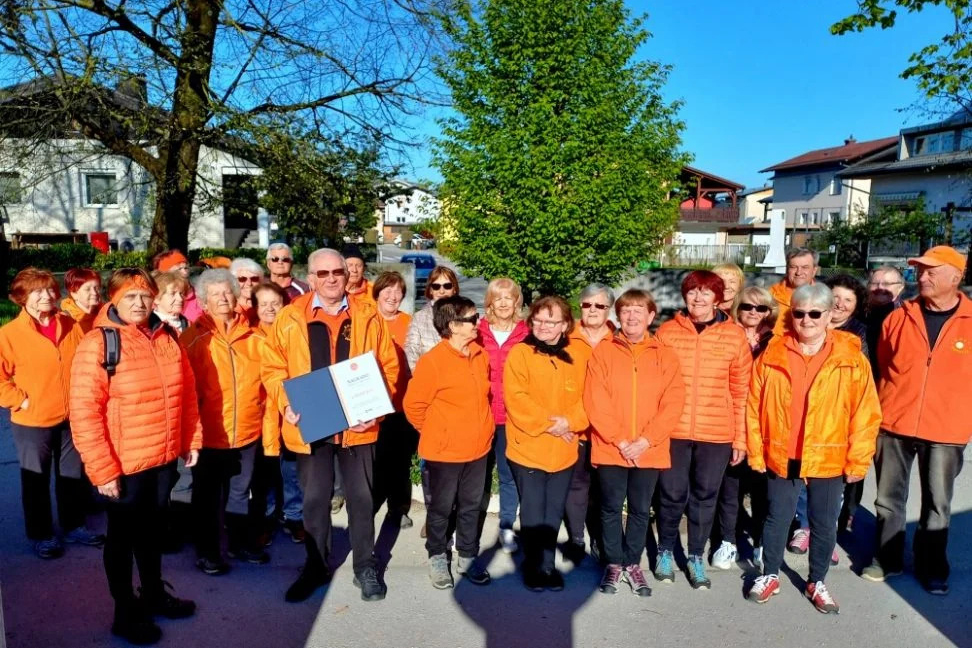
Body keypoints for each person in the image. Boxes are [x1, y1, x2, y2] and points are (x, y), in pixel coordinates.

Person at [70, 268, 201, 645]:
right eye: (130, 296)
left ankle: (154, 593)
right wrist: (102, 470)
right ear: (113, 300)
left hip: (162, 459)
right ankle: (125, 612)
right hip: (123, 465)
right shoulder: (100, 343)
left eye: (145, 295)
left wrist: (191, 439)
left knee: (152, 532)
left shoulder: (166, 336)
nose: (140, 303)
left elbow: (186, 394)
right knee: (122, 538)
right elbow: (84, 412)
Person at [261, 248, 399, 603]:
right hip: (312, 424)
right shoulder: (290, 317)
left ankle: (365, 566)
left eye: (338, 271)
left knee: (362, 499)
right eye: (323, 273)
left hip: (359, 426)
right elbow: (273, 368)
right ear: (311, 278)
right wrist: (286, 402)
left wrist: (377, 409)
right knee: (314, 500)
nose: (332, 278)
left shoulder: (368, 314)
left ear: (347, 275)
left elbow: (388, 366)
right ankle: (315, 566)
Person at [746, 284, 881, 614]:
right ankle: (770, 574)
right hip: (782, 452)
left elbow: (866, 413)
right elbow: (753, 405)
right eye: (799, 313)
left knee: (823, 521)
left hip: (828, 454)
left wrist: (858, 460)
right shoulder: (773, 354)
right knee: (777, 518)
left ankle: (816, 580)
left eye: (815, 313)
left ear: (829, 315)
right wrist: (755, 450)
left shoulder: (851, 359)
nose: (806, 320)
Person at [863, 246, 972, 596]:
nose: (922, 277)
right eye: (920, 270)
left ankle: (932, 566)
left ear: (956, 276)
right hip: (894, 422)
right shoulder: (899, 317)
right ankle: (887, 558)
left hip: (946, 428)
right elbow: (885, 362)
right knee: (887, 499)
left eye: (931, 271)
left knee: (937, 504)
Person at [584, 289, 685, 597]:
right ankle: (614, 563)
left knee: (641, 509)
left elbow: (673, 402)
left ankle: (632, 563)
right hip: (611, 446)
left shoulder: (665, 355)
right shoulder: (603, 352)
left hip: (648, 449)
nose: (631, 317)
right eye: (625, 311)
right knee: (610, 507)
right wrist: (619, 439)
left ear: (651, 316)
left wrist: (645, 440)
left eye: (638, 311)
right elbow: (595, 399)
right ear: (618, 316)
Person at [655, 270, 752, 588]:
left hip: (717, 433)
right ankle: (665, 551)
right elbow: (655, 385)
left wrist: (740, 438)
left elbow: (742, 391)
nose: (698, 298)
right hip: (674, 429)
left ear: (717, 298)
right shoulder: (667, 332)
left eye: (705, 292)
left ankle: (696, 555)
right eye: (692, 291)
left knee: (705, 496)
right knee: (671, 494)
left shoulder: (734, 336)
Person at [0, 268, 102, 559]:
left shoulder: (70, 324)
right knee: (36, 480)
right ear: (22, 297)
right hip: (33, 420)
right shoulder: (9, 334)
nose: (45, 296)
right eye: (36, 291)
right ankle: (41, 534)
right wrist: (21, 401)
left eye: (49, 290)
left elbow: (85, 361)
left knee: (71, 474)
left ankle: (73, 525)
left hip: (71, 416)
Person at [182, 269, 269, 575]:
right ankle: (207, 551)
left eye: (227, 292)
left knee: (239, 492)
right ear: (203, 301)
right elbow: (185, 389)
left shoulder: (255, 337)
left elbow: (270, 381)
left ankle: (238, 542)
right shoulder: (193, 338)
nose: (222, 299)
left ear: (236, 295)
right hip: (209, 433)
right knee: (206, 496)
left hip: (247, 430)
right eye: (214, 294)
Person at [404, 295, 494, 589]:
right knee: (441, 509)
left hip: (478, 450)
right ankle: (437, 556)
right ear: (453, 325)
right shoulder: (432, 362)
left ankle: (466, 556)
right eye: (472, 319)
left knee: (470, 506)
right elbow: (413, 406)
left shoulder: (480, 355)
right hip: (444, 453)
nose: (477, 323)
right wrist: (437, 432)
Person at [504, 296, 589, 591]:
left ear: (564, 325)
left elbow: (589, 397)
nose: (542, 326)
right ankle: (532, 565)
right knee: (533, 511)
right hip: (528, 447)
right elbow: (517, 398)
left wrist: (571, 422)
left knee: (553, 511)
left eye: (550, 321)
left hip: (564, 450)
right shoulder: (520, 353)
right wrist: (553, 425)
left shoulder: (579, 354)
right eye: (538, 320)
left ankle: (548, 566)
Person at [724, 286, 778, 571]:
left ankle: (760, 542)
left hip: (765, 421)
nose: (753, 312)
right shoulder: (727, 335)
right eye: (747, 306)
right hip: (732, 416)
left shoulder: (777, 341)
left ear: (769, 311)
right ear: (737, 308)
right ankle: (728, 540)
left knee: (762, 487)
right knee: (731, 485)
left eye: (761, 308)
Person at [403, 265, 461, 537]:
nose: (441, 291)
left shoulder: (466, 316)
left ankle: (454, 512)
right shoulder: (420, 319)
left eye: (447, 286)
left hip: (459, 402)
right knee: (430, 464)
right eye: (436, 286)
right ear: (429, 290)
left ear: (454, 288)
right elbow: (411, 355)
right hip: (432, 402)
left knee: (458, 463)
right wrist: (433, 385)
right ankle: (434, 515)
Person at [563, 283, 616, 563]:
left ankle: (599, 536)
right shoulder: (565, 337)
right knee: (577, 485)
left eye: (600, 305)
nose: (593, 310)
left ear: (609, 309)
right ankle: (576, 538)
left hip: (609, 428)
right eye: (587, 305)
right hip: (576, 426)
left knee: (604, 487)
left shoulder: (619, 339)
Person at [478, 276, 529, 553]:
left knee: (508, 475)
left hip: (511, 418)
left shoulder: (526, 334)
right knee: (475, 476)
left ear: (517, 301)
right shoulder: (477, 331)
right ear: (490, 302)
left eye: (508, 297)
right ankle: (467, 527)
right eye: (497, 298)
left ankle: (507, 526)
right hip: (481, 414)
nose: (503, 303)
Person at [254, 282, 306, 544]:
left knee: (291, 471)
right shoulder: (250, 338)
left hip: (290, 413)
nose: (270, 308)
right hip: (260, 418)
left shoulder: (294, 332)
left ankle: (294, 517)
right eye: (263, 304)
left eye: (275, 303)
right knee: (265, 474)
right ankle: (266, 518)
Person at [371, 271, 418, 529]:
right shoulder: (366, 321)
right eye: (386, 290)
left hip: (402, 403)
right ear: (377, 294)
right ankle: (368, 507)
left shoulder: (410, 323)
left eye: (398, 291)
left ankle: (397, 508)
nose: (392, 296)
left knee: (400, 460)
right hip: (372, 405)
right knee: (374, 461)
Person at [865, 265, 905, 376]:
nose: (880, 287)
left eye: (887, 284)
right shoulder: (858, 312)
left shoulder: (906, 316)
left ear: (900, 288)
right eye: (874, 283)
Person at [770, 248, 818, 335]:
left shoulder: (823, 298)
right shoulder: (770, 296)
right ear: (787, 270)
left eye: (805, 267)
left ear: (814, 271)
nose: (798, 272)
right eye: (793, 267)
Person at [153, 250, 202, 322]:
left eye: (186, 268)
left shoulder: (200, 296)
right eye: (179, 269)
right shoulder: (154, 302)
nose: (184, 272)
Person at [61, 267, 103, 333]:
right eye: (87, 289)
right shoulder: (65, 320)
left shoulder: (107, 313)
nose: (94, 293)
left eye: (97, 288)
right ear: (74, 294)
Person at [151, 271, 190, 335]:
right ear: (157, 298)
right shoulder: (149, 327)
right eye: (173, 294)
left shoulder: (190, 326)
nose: (180, 299)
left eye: (181, 294)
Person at [230, 257, 265, 323]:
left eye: (254, 279)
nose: (249, 283)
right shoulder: (228, 309)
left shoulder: (267, 308)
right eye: (242, 279)